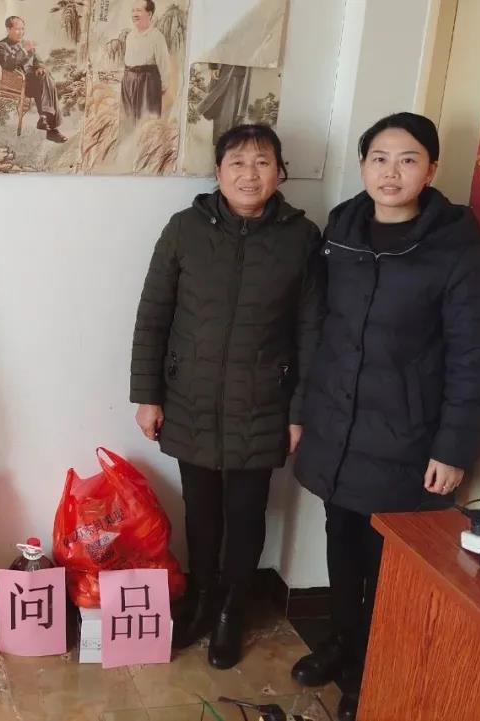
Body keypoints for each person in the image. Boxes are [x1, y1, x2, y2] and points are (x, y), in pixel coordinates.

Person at [290, 112, 480, 721]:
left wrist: (454, 448)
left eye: (408, 160)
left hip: (406, 435)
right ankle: (342, 642)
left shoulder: (454, 245)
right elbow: (318, 327)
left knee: (388, 563)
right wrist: (303, 411)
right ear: (362, 166)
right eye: (379, 158)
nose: (391, 172)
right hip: (337, 425)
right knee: (340, 541)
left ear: (431, 170)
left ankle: (373, 669)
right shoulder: (342, 229)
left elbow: (473, 353)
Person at [131, 124, 324, 670]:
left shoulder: (300, 237)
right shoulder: (184, 229)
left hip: (263, 403)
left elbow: (311, 331)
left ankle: (231, 610)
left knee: (245, 513)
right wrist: (148, 395)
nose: (249, 174)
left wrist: (299, 412)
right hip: (189, 397)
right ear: (217, 172)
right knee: (200, 511)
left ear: (280, 172)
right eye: (236, 162)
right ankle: (201, 601)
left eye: (262, 162)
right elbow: (153, 315)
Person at [0, 16, 67, 143]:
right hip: (15, 83)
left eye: (23, 29)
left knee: (46, 77)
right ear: (8, 29)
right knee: (47, 82)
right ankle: (51, 128)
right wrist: (24, 51)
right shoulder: (0, 46)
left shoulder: (26, 44)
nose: (21, 32)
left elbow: (39, 60)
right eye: (18, 29)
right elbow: (7, 65)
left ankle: (45, 119)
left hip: (31, 82)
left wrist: (40, 68)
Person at [121, 0, 171, 134]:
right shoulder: (130, 36)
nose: (134, 14)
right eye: (133, 11)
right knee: (128, 121)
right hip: (128, 80)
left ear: (149, 14)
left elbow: (164, 63)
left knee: (147, 123)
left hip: (148, 82)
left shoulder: (157, 36)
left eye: (138, 10)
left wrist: (163, 86)